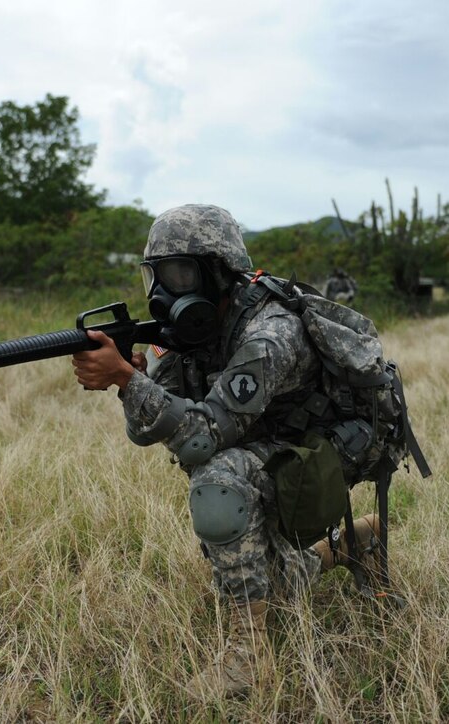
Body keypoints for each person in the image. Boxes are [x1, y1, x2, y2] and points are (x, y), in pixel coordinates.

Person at [71, 204, 385, 701]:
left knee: (219, 480)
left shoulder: (271, 332)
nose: (163, 293)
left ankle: (249, 661)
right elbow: (145, 431)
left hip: (323, 451)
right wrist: (132, 381)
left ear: (220, 273)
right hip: (269, 444)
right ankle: (351, 545)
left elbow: (200, 438)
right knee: (266, 581)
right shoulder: (191, 333)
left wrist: (127, 380)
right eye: (155, 276)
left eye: (178, 273)